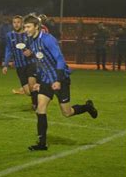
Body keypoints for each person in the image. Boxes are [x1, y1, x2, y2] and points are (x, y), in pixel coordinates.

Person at [23, 14, 98, 151]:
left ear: (36, 27)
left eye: (28, 27)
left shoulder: (48, 39)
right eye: (25, 27)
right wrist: (39, 79)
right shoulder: (32, 42)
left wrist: (57, 80)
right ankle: (42, 144)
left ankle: (87, 107)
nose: (25, 29)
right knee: (40, 109)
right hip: (46, 81)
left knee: (67, 112)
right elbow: (41, 61)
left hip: (60, 79)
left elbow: (60, 59)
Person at [2, 15, 38, 110]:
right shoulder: (9, 35)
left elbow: (35, 45)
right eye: (14, 22)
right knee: (28, 92)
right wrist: (5, 64)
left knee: (32, 84)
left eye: (18, 22)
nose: (16, 24)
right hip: (19, 66)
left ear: (22, 23)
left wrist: (31, 51)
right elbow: (8, 50)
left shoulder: (27, 34)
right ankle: (40, 93)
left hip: (31, 63)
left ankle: (35, 105)